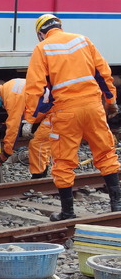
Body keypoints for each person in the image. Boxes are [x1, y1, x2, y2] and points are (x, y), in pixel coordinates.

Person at [24, 14, 120, 221]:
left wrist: (32, 118)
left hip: (66, 112)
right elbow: (103, 73)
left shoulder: (42, 49)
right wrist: (110, 100)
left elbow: (35, 88)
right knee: (105, 152)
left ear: (41, 33)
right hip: (93, 107)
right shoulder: (82, 40)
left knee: (63, 160)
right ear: (59, 26)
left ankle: (68, 211)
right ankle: (117, 203)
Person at [0, 79, 51, 178]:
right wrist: (5, 124)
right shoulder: (11, 85)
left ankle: (39, 178)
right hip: (53, 109)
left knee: (38, 144)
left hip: (56, 111)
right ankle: (42, 175)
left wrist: (5, 154)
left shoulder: (12, 98)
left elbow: (14, 128)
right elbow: (21, 112)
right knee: (42, 144)